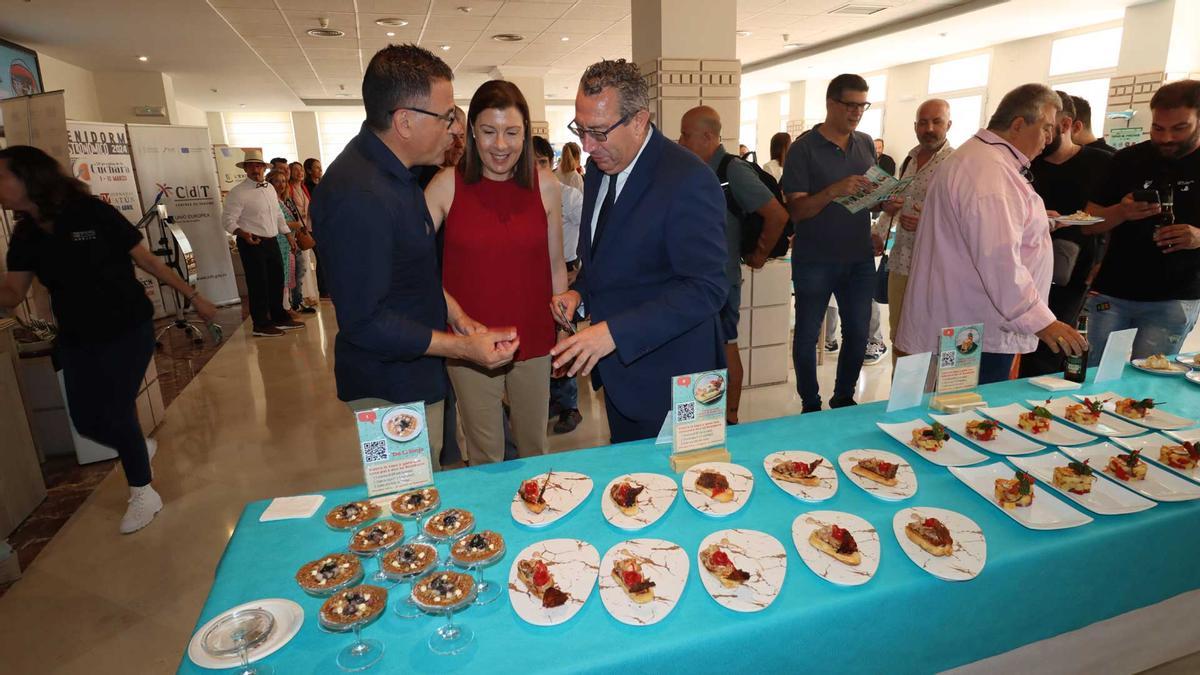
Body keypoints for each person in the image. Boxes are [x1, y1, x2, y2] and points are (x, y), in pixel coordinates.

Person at [312, 44, 519, 470]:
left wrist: (455, 313)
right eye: (446, 117)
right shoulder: (360, 195)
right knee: (407, 507)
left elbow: (410, 273)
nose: (453, 130)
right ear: (404, 120)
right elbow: (365, 321)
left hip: (413, 376)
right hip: (390, 390)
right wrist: (463, 348)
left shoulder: (397, 175)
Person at [0, 146, 218, 534]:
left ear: (30, 177)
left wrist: (194, 295)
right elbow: (13, 295)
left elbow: (147, 260)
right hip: (77, 335)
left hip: (127, 327)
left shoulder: (90, 212)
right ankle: (136, 446)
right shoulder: (26, 235)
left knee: (117, 411)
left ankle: (142, 492)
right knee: (85, 420)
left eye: (2, 176)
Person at [549, 59, 728, 443]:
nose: (586, 146)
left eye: (597, 132)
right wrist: (580, 295)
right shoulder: (599, 169)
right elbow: (606, 262)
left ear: (638, 120)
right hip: (620, 377)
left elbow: (707, 288)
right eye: (580, 130)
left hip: (676, 380)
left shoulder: (688, 179)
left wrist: (614, 333)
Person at [895, 83, 1087, 383]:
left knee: (961, 414)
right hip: (976, 327)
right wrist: (1042, 321)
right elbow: (999, 260)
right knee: (967, 418)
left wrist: (1038, 222)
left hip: (976, 320)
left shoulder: (984, 160)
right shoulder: (989, 171)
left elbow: (989, 229)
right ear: (1019, 124)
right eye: (1046, 128)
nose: (1049, 138)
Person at [425, 80, 566, 464]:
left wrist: (565, 326)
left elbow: (555, 265)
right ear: (472, 132)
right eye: (488, 131)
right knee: (486, 453)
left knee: (535, 448)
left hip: (534, 339)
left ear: (526, 133)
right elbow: (411, 264)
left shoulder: (547, 187)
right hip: (471, 341)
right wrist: (454, 315)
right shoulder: (446, 186)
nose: (500, 145)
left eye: (511, 132)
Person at [678, 105, 789, 424]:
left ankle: (730, 418)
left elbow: (778, 215)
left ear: (708, 136)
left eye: (686, 134)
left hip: (720, 282)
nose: (681, 141)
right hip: (695, 282)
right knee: (702, 351)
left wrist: (758, 254)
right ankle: (701, 421)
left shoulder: (733, 171)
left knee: (725, 345)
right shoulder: (697, 170)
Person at [780, 73, 884, 412]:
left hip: (858, 257)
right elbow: (797, 210)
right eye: (850, 105)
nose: (857, 113)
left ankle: (843, 398)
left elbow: (867, 198)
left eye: (862, 106)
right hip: (815, 258)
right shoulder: (803, 150)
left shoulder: (866, 143)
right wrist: (832, 190)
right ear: (831, 104)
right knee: (808, 334)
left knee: (858, 331)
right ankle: (810, 403)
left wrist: (885, 200)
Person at [1082, 79, 1200, 363]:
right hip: (1113, 293)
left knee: (1149, 382)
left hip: (1175, 297)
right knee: (1095, 378)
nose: (1167, 138)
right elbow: (1087, 223)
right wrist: (1120, 213)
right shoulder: (1126, 160)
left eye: (1179, 128)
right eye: (1158, 128)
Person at [1018, 91, 1111, 377]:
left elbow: (1111, 221)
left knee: (1052, 350)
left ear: (1067, 124)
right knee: (1022, 347)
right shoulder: (1027, 164)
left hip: (1072, 274)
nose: (1044, 136)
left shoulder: (1101, 163)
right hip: (1025, 273)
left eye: (1048, 127)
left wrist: (1102, 264)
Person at [875, 98, 955, 366]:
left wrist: (927, 222)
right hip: (901, 261)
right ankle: (902, 402)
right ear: (915, 126)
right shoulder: (909, 158)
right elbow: (897, 203)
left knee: (929, 339)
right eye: (923, 122)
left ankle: (926, 401)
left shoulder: (955, 164)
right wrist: (880, 227)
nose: (929, 128)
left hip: (935, 267)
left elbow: (965, 218)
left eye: (936, 122)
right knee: (899, 335)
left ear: (949, 125)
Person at [533, 135, 585, 434]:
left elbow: (592, 237)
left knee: (564, 336)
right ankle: (552, 399)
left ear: (550, 163)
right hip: (533, 273)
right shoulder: (523, 197)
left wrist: (580, 271)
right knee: (541, 338)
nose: (537, 169)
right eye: (532, 164)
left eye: (542, 163)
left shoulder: (571, 196)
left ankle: (570, 406)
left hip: (566, 272)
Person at [222, 149, 303, 337]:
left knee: (276, 281)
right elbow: (227, 220)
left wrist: (288, 235)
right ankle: (261, 324)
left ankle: (279, 317)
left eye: (258, 166)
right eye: (251, 166)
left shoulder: (268, 188)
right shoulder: (238, 193)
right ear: (246, 169)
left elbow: (277, 215)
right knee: (258, 284)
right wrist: (242, 233)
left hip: (272, 240)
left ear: (263, 168)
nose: (255, 169)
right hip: (252, 243)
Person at [266, 169, 306, 315]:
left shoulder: (283, 200)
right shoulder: (273, 201)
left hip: (287, 243)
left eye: (283, 181)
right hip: (279, 241)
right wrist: (296, 225)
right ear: (270, 183)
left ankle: (287, 306)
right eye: (277, 181)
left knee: (289, 274)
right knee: (281, 276)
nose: (281, 184)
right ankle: (283, 308)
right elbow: (279, 222)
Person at [287, 161, 316, 314]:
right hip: (296, 231)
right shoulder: (289, 189)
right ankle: (300, 298)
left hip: (307, 228)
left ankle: (308, 295)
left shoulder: (303, 187)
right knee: (300, 266)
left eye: (301, 170)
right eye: (296, 170)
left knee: (307, 263)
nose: (300, 172)